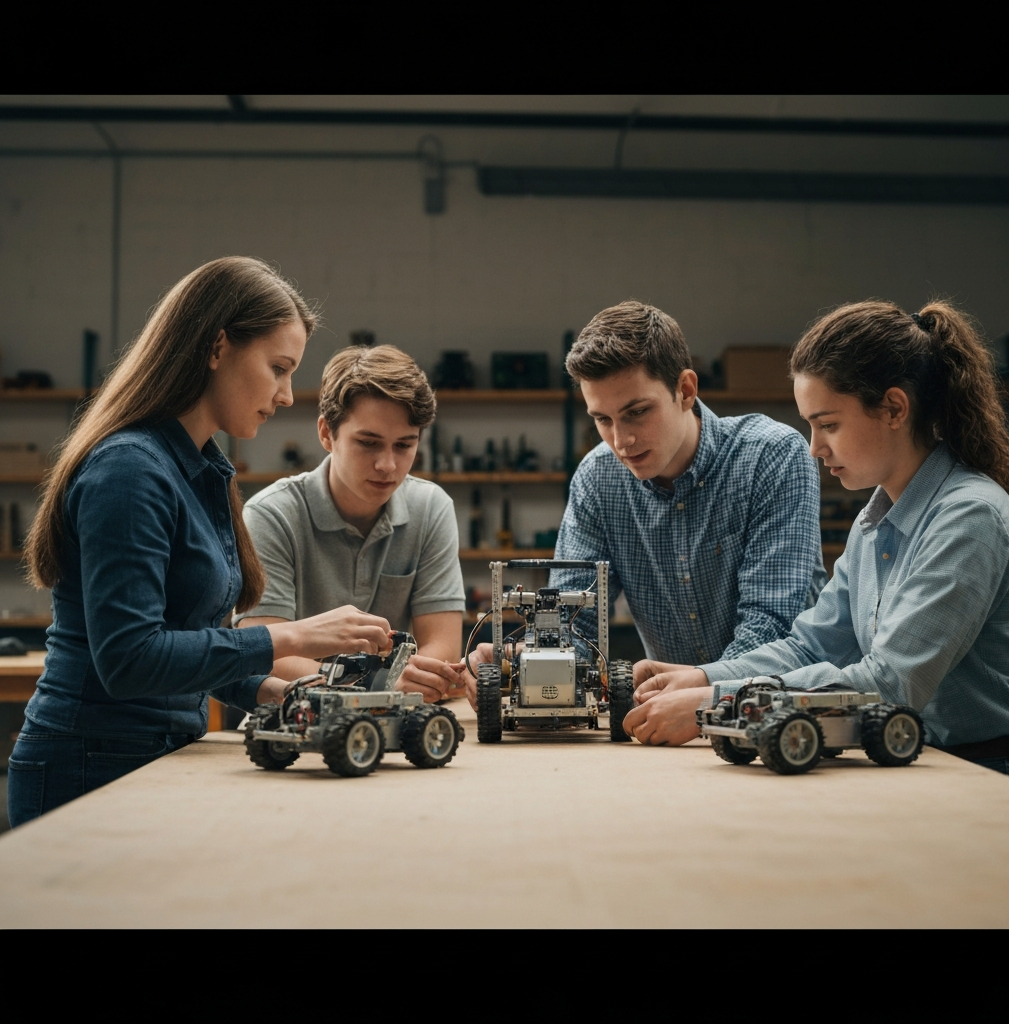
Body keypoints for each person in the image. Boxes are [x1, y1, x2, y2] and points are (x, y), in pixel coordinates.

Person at [7, 257, 394, 828]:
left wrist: (281, 693)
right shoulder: (129, 471)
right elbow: (130, 658)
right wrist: (294, 635)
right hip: (88, 764)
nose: (287, 395)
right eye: (278, 368)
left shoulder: (201, 466)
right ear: (217, 347)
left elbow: (188, 646)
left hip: (153, 754)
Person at [626, 300, 1009, 780]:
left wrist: (714, 703)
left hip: (991, 769)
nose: (814, 448)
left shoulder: (969, 517)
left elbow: (888, 682)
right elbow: (811, 646)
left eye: (828, 424)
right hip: (922, 759)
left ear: (894, 408)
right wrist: (705, 676)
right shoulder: (875, 522)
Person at [460, 300, 826, 706]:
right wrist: (523, 662)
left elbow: (770, 627)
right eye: (602, 419)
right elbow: (572, 626)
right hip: (667, 717)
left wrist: (702, 694)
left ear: (685, 390)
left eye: (636, 412)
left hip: (775, 709)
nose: (620, 441)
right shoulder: (598, 478)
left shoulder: (772, 457)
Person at [235, 345, 465, 702]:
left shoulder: (430, 508)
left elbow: (445, 645)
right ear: (327, 434)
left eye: (404, 445)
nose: (388, 465)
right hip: (293, 720)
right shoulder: (270, 515)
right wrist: (377, 687)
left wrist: (403, 684)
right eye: (369, 443)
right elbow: (264, 652)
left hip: (395, 718)